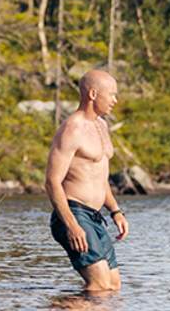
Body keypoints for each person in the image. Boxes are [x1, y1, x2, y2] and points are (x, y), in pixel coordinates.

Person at [44, 69, 129, 293]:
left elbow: (100, 177)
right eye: (111, 94)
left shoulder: (101, 126)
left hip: (95, 217)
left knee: (113, 286)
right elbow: (52, 181)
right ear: (93, 94)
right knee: (99, 285)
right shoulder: (72, 129)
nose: (115, 100)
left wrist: (116, 211)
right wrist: (72, 225)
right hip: (74, 214)